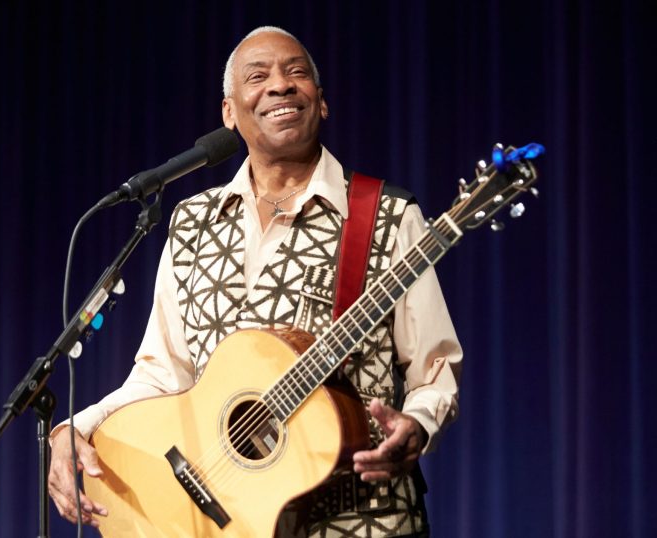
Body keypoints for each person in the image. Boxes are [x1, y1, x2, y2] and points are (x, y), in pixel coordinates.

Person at [47, 26, 462, 537]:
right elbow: (162, 374)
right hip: (235, 522)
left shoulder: (386, 216)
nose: (280, 85)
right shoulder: (192, 222)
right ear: (229, 113)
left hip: (364, 519)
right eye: (258, 76)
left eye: (296, 73)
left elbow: (435, 371)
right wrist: (76, 429)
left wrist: (417, 426)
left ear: (321, 101)